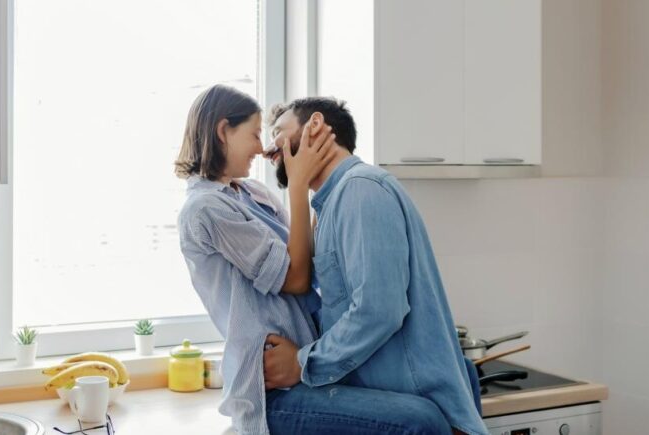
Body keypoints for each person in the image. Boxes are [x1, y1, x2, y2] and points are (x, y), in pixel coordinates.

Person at [175, 85, 454, 435]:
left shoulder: (254, 194)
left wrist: (307, 188)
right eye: (256, 134)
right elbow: (295, 277)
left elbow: (303, 260)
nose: (263, 147)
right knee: (420, 421)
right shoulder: (206, 209)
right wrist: (297, 184)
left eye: (270, 133)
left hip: (304, 371)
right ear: (222, 131)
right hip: (274, 389)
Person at [261, 96, 489, 435]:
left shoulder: (360, 190)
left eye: (278, 132)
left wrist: (302, 364)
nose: (269, 148)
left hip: (414, 403)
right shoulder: (332, 204)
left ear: (315, 126)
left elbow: (378, 310)